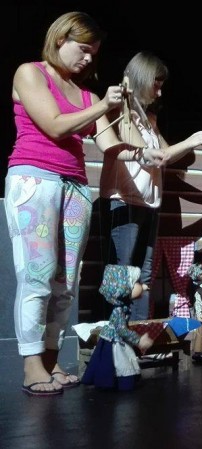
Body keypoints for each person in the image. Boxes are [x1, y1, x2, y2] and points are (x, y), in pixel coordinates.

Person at [4, 11, 166, 396]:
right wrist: (103, 105)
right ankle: (31, 365)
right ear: (60, 38)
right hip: (35, 179)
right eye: (83, 49)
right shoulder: (30, 74)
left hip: (75, 186)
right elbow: (55, 124)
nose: (89, 58)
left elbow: (109, 146)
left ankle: (51, 359)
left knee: (66, 283)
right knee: (37, 275)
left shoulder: (87, 95)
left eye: (94, 52)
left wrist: (142, 153)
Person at [99, 51, 202, 322]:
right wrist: (193, 140)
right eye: (155, 84)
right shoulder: (119, 112)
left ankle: (140, 332)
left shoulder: (148, 119)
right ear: (141, 78)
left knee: (144, 275)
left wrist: (199, 141)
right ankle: (117, 334)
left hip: (148, 204)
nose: (159, 92)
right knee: (122, 273)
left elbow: (167, 154)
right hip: (123, 201)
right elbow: (155, 155)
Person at [80, 265, 155, 391]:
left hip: (116, 339)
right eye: (136, 282)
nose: (140, 285)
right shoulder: (119, 310)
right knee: (120, 361)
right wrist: (138, 340)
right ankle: (121, 383)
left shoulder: (122, 306)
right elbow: (121, 330)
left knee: (118, 361)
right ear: (123, 288)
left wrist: (142, 287)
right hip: (114, 341)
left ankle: (116, 382)